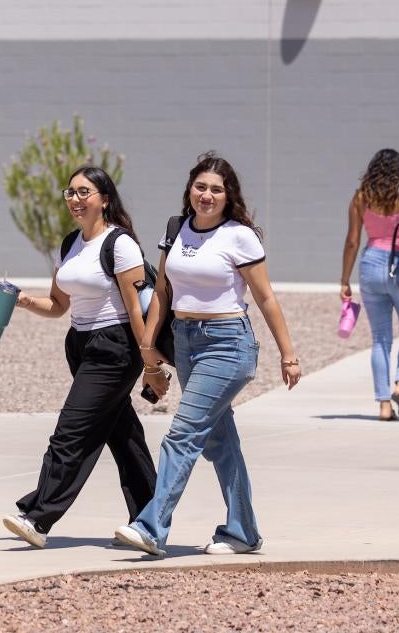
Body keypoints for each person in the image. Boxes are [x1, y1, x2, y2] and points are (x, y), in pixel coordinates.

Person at [115, 152, 301, 557]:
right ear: (190, 190)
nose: (207, 194)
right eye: (201, 186)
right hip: (186, 343)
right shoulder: (177, 229)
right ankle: (243, 532)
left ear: (227, 195)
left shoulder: (240, 236)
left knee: (182, 433)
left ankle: (151, 526)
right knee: (221, 444)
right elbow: (162, 293)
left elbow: (265, 297)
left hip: (227, 344)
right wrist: (148, 350)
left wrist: (288, 354)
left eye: (216, 189)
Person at [2, 166, 159, 548]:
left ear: (104, 199)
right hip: (81, 344)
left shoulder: (120, 244)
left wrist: (151, 365)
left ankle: (38, 518)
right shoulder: (70, 243)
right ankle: (151, 519)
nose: (75, 199)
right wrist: (23, 301)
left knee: (72, 432)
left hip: (115, 347)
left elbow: (138, 309)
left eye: (83, 192)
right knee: (123, 437)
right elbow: (57, 305)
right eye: (69, 192)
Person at [338, 149, 399, 420]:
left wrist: (345, 279)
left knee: (380, 338)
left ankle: (383, 405)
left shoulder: (361, 197)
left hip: (370, 267)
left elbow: (352, 241)